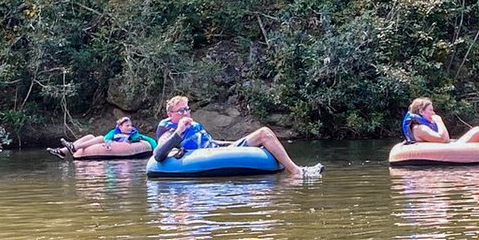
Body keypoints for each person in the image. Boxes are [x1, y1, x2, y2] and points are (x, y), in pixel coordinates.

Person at [152, 96, 322, 179]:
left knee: (265, 133)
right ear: (170, 114)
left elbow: (212, 142)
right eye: (180, 110)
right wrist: (179, 131)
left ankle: (296, 170)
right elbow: (159, 155)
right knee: (263, 133)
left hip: (217, 150)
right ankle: (298, 173)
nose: (185, 113)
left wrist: (232, 145)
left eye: (187, 109)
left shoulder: (194, 125)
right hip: (200, 157)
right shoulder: (168, 128)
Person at [48, 116, 155, 159]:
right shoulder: (114, 132)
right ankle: (63, 151)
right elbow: (108, 137)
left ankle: (72, 148)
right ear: (120, 127)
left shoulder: (134, 134)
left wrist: (156, 149)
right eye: (127, 126)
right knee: (91, 136)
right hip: (108, 144)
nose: (130, 127)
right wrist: (108, 141)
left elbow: (150, 140)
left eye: (130, 125)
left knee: (99, 138)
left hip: (120, 148)